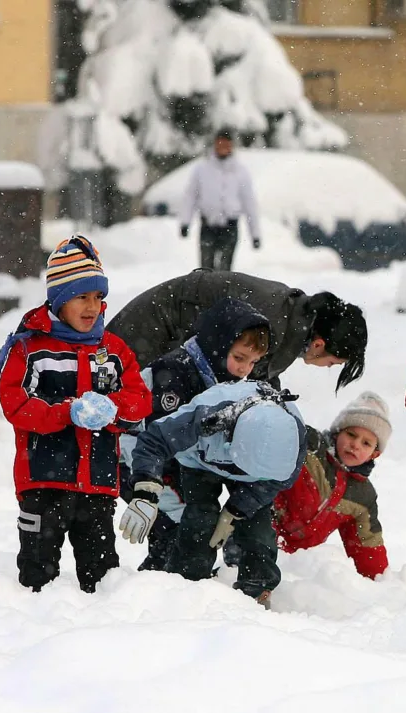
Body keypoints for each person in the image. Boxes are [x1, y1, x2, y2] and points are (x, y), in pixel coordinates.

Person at [0, 236, 152, 593]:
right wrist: (68, 412)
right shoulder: (32, 348)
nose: (92, 307)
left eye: (98, 298)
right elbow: (15, 404)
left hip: (96, 484)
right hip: (43, 480)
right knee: (37, 574)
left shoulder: (112, 350)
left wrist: (114, 408)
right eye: (82, 297)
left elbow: (140, 399)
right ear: (60, 300)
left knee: (101, 575)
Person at [119, 297, 271, 571]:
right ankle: (163, 583)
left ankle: (219, 576)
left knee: (205, 521)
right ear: (217, 343)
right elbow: (156, 439)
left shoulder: (227, 377)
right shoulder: (174, 374)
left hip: (183, 460)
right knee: (185, 523)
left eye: (253, 362)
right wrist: (147, 489)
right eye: (239, 358)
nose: (244, 369)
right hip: (139, 460)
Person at [126, 381, 308, 608]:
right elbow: (154, 439)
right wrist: (146, 487)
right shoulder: (206, 414)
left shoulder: (294, 436)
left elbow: (280, 479)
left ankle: (257, 587)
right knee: (200, 519)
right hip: (200, 463)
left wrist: (236, 510)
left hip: (257, 479)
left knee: (257, 525)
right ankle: (186, 584)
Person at [106, 269, 366, 390]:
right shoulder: (273, 322)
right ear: (319, 344)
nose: (328, 367)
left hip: (169, 328)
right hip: (157, 325)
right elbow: (235, 380)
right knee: (110, 389)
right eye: (333, 363)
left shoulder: (291, 316)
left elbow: (256, 378)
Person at [273, 392, 392, 580]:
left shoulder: (363, 496)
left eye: (366, 443)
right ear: (337, 433)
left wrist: (378, 582)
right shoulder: (310, 447)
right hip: (263, 528)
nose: (355, 445)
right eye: (351, 434)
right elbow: (278, 431)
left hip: (297, 565)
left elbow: (367, 545)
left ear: (374, 454)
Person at [179, 127, 261, 272]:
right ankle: (205, 294)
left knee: (224, 271)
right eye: (220, 143)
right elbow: (190, 196)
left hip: (230, 227)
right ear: (215, 144)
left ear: (231, 146)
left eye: (226, 144)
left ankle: (222, 294)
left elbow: (249, 203)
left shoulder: (240, 172)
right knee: (205, 269)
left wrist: (255, 234)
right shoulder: (202, 169)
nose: (223, 147)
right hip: (208, 226)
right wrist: (185, 222)